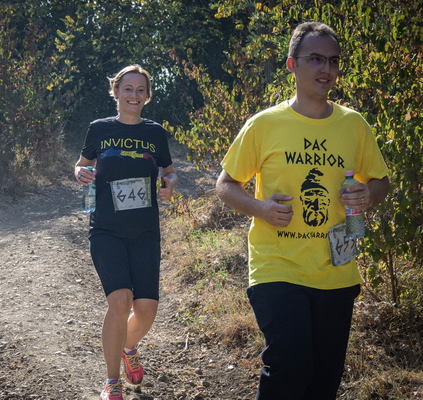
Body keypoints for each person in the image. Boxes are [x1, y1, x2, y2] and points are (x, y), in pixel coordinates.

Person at [216, 22, 389, 400]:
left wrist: (367, 195)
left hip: (337, 268)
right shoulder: (265, 124)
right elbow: (225, 185)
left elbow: (380, 181)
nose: (325, 69)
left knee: (324, 378)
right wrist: (260, 208)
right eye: (315, 59)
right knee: (290, 362)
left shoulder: (353, 125)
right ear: (292, 64)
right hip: (277, 265)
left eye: (333, 61)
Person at [74, 64, 178, 400]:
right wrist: (80, 173)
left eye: (140, 90)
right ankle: (112, 381)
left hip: (145, 231)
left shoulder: (155, 133)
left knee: (146, 310)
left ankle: (127, 347)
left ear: (147, 96)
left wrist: (169, 184)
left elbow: (169, 171)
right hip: (106, 228)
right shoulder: (99, 129)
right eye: (128, 89)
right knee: (120, 301)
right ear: (116, 91)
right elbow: (82, 164)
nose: (134, 95)